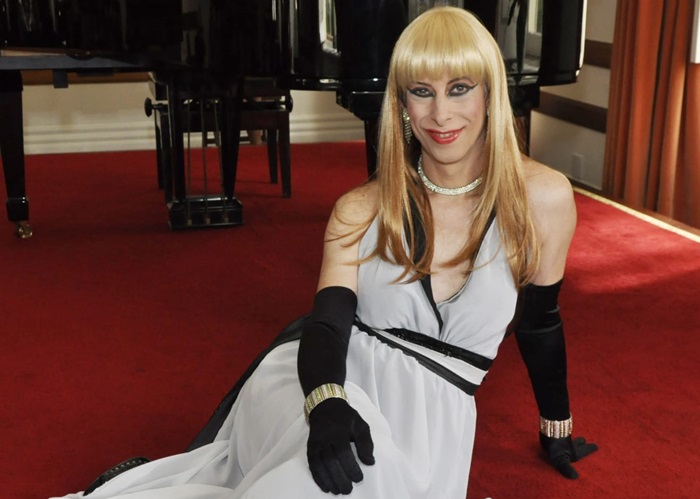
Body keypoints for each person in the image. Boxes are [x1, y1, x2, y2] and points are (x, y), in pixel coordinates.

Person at [51, 7, 597, 499]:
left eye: (459, 89)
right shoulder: (360, 208)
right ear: (401, 103)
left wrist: (557, 425)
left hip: (434, 423)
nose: (440, 114)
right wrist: (327, 402)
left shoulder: (542, 199)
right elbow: (329, 325)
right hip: (323, 383)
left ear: (490, 93)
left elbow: (540, 322)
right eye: (420, 91)